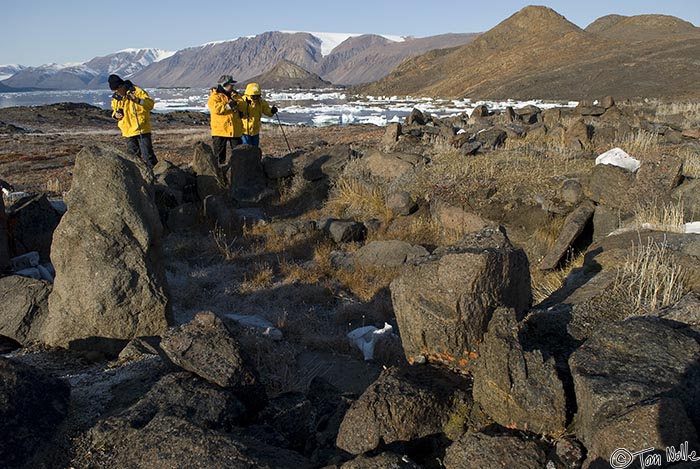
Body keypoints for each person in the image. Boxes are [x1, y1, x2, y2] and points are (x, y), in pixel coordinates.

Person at [108, 74, 157, 166]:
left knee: (148, 157)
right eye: (114, 91)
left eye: (117, 91)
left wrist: (138, 100)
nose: (117, 93)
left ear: (121, 86)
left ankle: (155, 175)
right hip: (127, 132)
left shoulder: (137, 92)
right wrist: (116, 115)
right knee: (133, 159)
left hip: (141, 129)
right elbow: (114, 111)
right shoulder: (116, 98)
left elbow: (150, 105)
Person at [207, 75, 244, 165]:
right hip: (220, 130)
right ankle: (220, 176)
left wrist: (240, 107)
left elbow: (243, 105)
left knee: (239, 155)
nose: (232, 87)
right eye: (231, 85)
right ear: (225, 85)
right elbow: (215, 109)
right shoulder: (214, 96)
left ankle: (237, 173)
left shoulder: (235, 95)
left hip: (235, 130)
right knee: (219, 157)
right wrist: (228, 106)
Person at [240, 82, 278, 147]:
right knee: (245, 149)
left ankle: (255, 157)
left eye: (257, 96)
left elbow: (266, 110)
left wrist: (271, 111)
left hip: (255, 131)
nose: (255, 98)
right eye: (253, 96)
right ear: (249, 94)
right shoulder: (242, 101)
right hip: (244, 131)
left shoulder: (260, 102)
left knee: (255, 149)